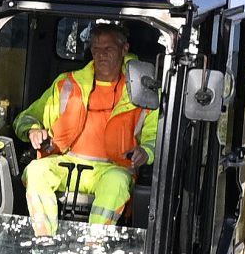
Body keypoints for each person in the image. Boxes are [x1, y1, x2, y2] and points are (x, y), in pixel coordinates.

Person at [12, 24, 157, 237]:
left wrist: (145, 152)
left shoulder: (145, 91)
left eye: (108, 49)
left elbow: (155, 137)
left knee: (116, 183)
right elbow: (25, 118)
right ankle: (44, 240)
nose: (101, 55)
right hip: (66, 162)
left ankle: (94, 243)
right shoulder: (66, 84)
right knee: (35, 170)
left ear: (124, 49)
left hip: (113, 169)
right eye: (96, 49)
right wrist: (33, 130)